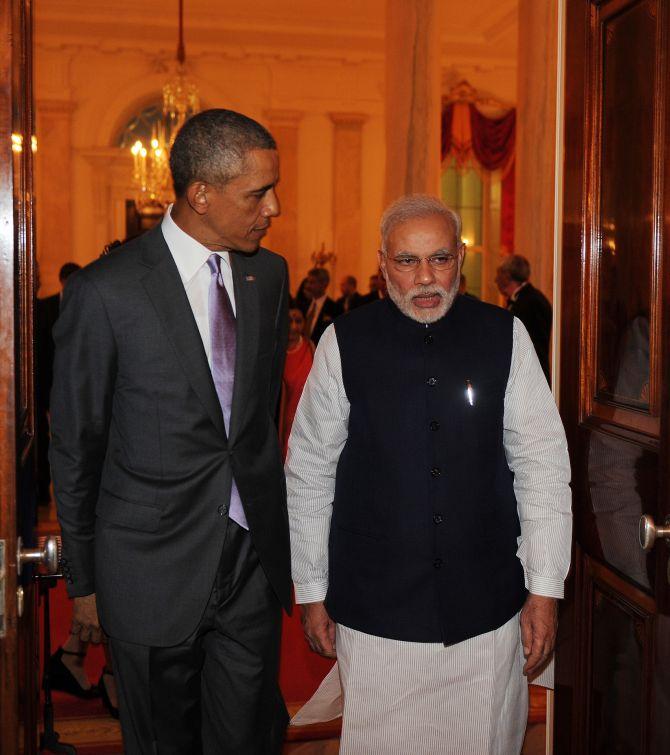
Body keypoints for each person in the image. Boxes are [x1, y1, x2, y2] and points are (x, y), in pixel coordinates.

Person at [286, 195, 572, 754]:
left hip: (486, 603)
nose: (424, 278)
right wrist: (313, 588)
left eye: (439, 259)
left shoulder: (505, 335)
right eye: (406, 261)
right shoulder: (344, 341)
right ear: (382, 261)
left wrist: (544, 587)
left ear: (460, 258)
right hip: (375, 603)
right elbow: (310, 470)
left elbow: (542, 461)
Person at [50, 109, 291, 754]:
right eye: (258, 193)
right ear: (201, 195)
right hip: (149, 572)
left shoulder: (267, 277)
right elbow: (76, 448)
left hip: (249, 564)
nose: (274, 206)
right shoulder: (106, 292)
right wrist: (84, 581)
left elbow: (258, 418)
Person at [35, 262, 81, 505]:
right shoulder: (44, 308)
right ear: (62, 281)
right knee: (43, 439)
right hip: (46, 385)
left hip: (77, 386)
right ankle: (43, 490)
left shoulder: (89, 304)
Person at [495, 255, 552, 383]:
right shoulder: (522, 299)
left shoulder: (532, 301)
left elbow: (532, 344)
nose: (495, 280)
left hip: (530, 377)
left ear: (507, 276)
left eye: (499, 274)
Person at [279, 305, 314, 459]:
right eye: (288, 321)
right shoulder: (274, 351)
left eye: (298, 321)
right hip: (280, 422)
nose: (293, 326)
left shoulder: (311, 348)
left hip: (306, 421)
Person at [304, 267, 339, 346]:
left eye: (312, 282)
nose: (308, 286)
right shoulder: (304, 305)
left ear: (324, 284)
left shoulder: (335, 308)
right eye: (308, 282)